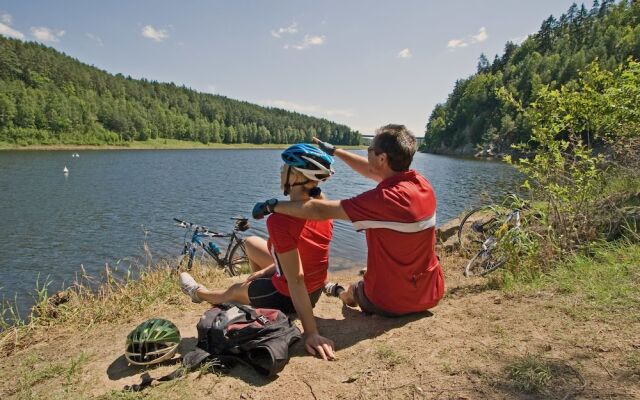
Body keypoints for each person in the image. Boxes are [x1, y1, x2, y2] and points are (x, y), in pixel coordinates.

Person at [253, 124, 445, 317]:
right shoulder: (421, 184)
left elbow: (320, 210)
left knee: (355, 289)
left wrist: (272, 206)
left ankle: (343, 294)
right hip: (430, 293)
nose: (366, 153)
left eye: (369, 149)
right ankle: (339, 290)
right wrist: (335, 151)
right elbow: (372, 171)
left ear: (382, 158)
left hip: (391, 302)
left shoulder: (383, 200)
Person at [180, 144, 336, 360]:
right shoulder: (323, 206)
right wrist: (266, 272)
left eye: (286, 167)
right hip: (315, 288)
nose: (281, 171)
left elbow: (296, 279)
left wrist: (311, 333)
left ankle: (198, 293)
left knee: (233, 291)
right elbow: (305, 254)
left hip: (290, 295)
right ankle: (255, 294)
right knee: (251, 242)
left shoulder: (279, 221)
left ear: (297, 175)